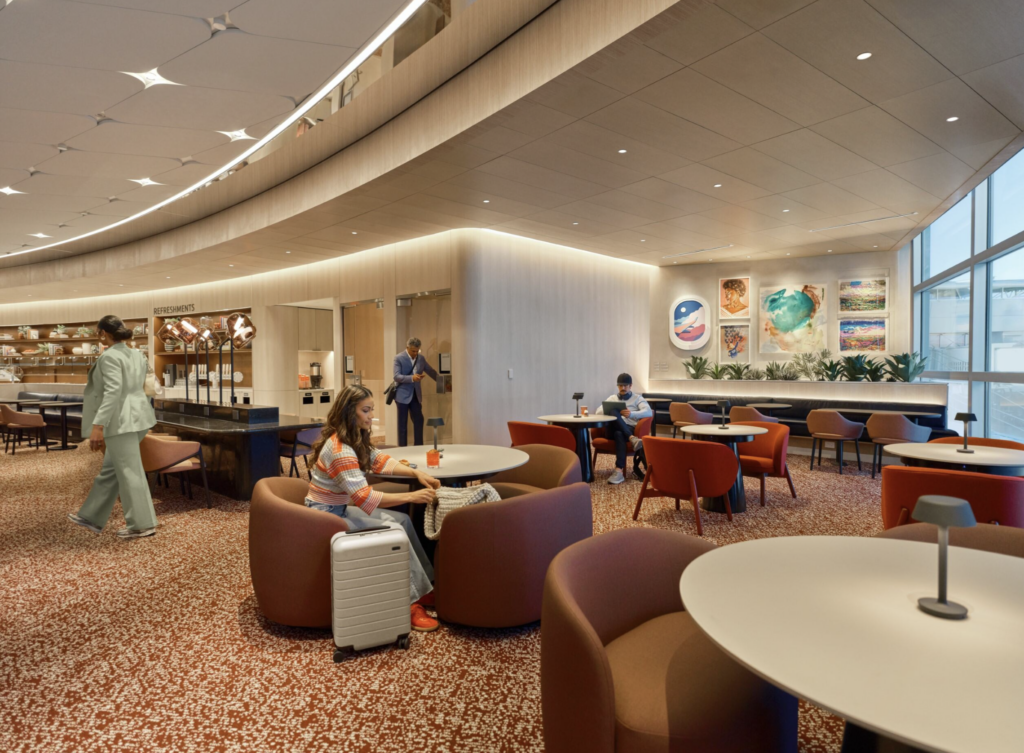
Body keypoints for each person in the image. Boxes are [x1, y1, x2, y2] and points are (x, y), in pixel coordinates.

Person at [305, 384, 442, 632]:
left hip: (336, 510)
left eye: (371, 410)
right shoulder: (341, 451)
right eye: (366, 410)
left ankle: (424, 588)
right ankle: (411, 602)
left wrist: (416, 473)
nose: (371, 416)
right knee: (394, 530)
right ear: (350, 412)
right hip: (325, 518)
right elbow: (364, 498)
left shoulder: (352, 438)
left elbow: (380, 460)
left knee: (403, 521)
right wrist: (413, 497)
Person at [68, 315, 159, 539]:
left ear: (103, 333)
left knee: (130, 473)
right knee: (111, 471)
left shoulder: (110, 357)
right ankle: (91, 515)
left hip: (121, 421)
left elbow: (113, 393)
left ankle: (142, 524)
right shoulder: (136, 353)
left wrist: (98, 426)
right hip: (138, 418)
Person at [596, 373, 652, 485]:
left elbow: (648, 412)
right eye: (620, 385)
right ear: (617, 386)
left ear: (630, 386)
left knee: (619, 434)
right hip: (610, 430)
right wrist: (615, 410)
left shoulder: (637, 399)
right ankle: (632, 438)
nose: (623, 388)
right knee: (613, 410)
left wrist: (631, 414)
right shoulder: (612, 398)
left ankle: (618, 471)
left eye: (625, 385)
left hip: (628, 428)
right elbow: (598, 412)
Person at [393, 337, 438, 447]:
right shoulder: (399, 358)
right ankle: (402, 448)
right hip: (402, 395)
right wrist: (412, 378)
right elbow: (396, 376)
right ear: (407, 348)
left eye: (417, 351)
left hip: (415, 395)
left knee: (419, 420)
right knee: (402, 425)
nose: (415, 353)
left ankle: (418, 447)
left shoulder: (421, 358)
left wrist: (444, 383)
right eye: (413, 351)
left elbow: (430, 371)